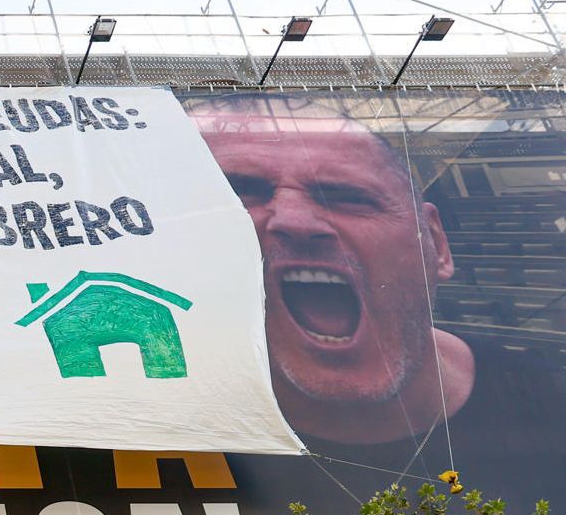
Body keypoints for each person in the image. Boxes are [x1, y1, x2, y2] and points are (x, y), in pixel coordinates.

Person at [190, 96, 474, 446]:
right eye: (240, 194)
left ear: (435, 244)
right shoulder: (153, 427)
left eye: (347, 197)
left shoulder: (553, 387)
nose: (295, 221)